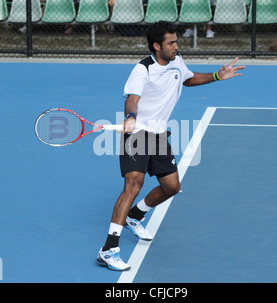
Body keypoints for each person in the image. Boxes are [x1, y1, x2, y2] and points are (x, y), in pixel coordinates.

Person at [95, 21, 245, 271]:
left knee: (172, 187)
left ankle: (135, 215)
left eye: (176, 41)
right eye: (171, 43)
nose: (176, 46)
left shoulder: (177, 60)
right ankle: (108, 249)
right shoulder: (143, 69)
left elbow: (188, 79)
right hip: (137, 134)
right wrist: (131, 118)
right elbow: (132, 99)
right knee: (133, 185)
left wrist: (217, 76)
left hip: (159, 135)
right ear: (157, 46)